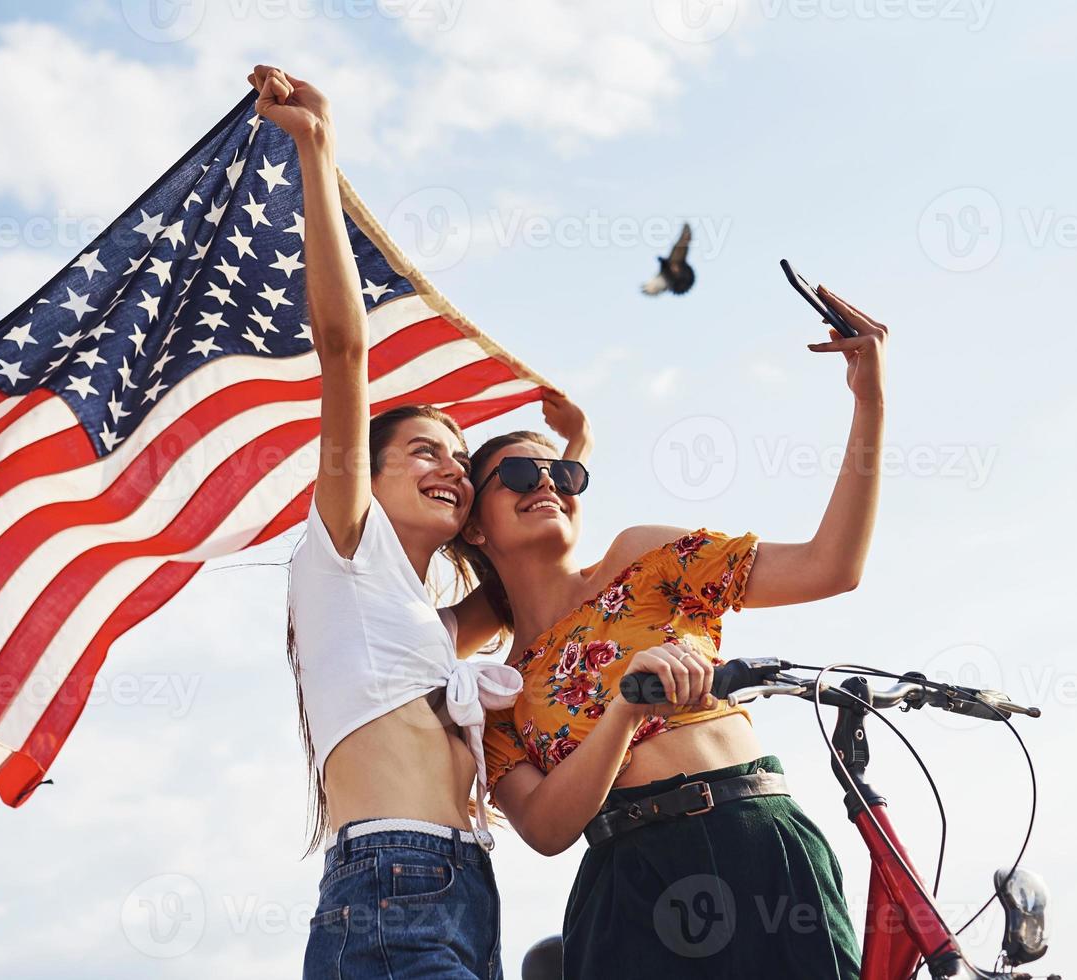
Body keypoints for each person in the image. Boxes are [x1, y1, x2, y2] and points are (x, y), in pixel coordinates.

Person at [248, 66, 592, 980]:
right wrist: (316, 151)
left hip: (463, 885)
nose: (451, 469)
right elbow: (343, 346)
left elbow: (534, 585)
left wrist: (568, 464)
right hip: (389, 878)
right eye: (426, 453)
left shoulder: (431, 627)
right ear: (367, 472)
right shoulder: (344, 549)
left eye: (459, 460)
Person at [460, 288, 889, 978]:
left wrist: (868, 400)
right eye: (515, 473)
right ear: (475, 527)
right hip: (632, 885)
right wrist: (625, 712)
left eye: (561, 471)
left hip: (761, 836)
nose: (543, 480)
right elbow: (544, 829)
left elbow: (829, 567)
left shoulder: (644, 557)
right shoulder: (498, 690)